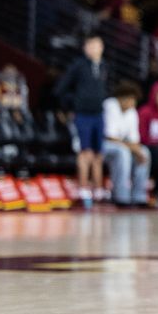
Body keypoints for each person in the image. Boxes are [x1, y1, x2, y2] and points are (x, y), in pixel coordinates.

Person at [54, 34, 108, 206]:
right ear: (85, 48)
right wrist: (71, 105)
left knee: (98, 153)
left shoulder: (104, 66)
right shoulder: (79, 65)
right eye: (90, 45)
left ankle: (98, 189)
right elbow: (61, 89)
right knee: (85, 152)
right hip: (83, 115)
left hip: (98, 114)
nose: (94, 48)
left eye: (97, 45)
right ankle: (84, 188)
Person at [101, 82, 151, 208]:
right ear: (122, 97)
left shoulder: (132, 112)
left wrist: (137, 150)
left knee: (144, 152)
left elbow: (134, 139)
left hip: (121, 145)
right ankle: (121, 196)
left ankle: (138, 196)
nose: (133, 103)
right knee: (123, 152)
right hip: (103, 145)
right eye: (131, 99)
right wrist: (132, 148)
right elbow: (110, 136)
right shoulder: (110, 105)